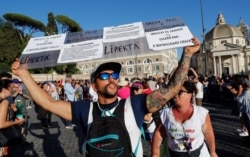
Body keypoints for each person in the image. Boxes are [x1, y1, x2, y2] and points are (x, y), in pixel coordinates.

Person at [11, 37, 200, 156]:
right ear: (93, 85)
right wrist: (24, 75)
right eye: (104, 75)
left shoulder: (134, 105)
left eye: (115, 75)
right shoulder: (84, 109)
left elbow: (172, 89)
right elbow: (47, 102)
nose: (111, 79)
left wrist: (187, 54)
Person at [151, 81, 218, 157]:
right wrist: (155, 154)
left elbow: (208, 133)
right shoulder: (165, 114)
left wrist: (212, 152)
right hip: (175, 154)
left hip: (198, 153)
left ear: (190, 95)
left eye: (180, 92)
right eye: (174, 92)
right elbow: (159, 134)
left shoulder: (201, 113)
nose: (175, 95)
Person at [0, 79, 24, 156]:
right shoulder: (4, 101)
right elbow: (1, 124)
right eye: (11, 87)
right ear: (4, 89)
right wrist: (17, 122)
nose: (12, 89)